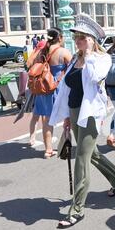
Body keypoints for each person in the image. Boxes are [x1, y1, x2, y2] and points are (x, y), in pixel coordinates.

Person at [49, 14, 115, 228]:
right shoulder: (75, 58)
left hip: (91, 113)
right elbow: (67, 88)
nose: (77, 41)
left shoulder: (102, 59)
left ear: (92, 39)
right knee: (92, 154)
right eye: (76, 38)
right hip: (74, 111)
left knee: (82, 158)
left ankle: (77, 209)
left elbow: (93, 78)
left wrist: (90, 53)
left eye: (82, 37)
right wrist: (65, 116)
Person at [28, 28, 71, 158]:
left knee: (46, 120)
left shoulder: (42, 51)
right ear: (60, 38)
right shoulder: (63, 52)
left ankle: (48, 150)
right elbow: (73, 68)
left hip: (43, 88)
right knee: (67, 117)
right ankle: (66, 145)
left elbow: (30, 64)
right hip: (58, 88)